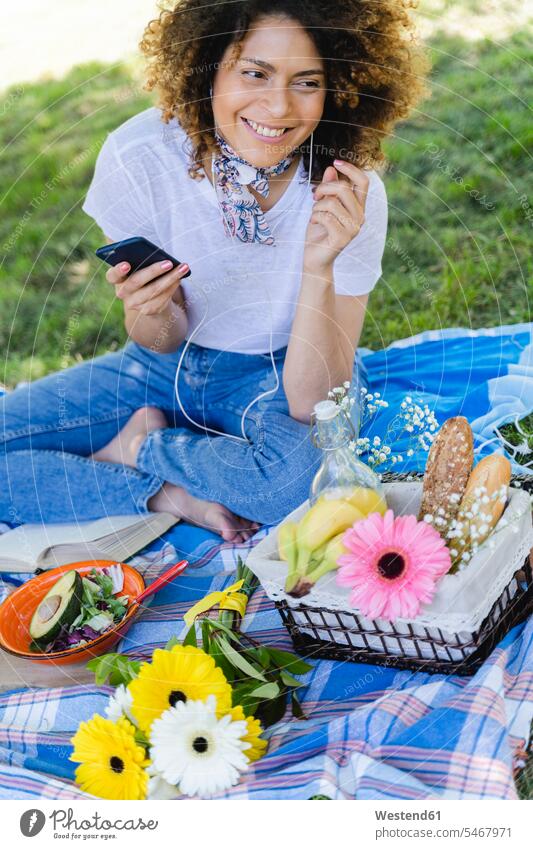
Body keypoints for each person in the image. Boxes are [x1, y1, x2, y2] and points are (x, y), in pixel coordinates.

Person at [0, 0, 426, 541]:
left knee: (295, 484)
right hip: (166, 366)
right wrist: (151, 310)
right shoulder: (140, 157)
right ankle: (165, 491)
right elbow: (159, 340)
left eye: (307, 81)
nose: (277, 108)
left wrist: (320, 261)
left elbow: (314, 403)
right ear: (207, 68)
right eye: (255, 73)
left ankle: (142, 448)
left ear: (338, 87)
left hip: (280, 370)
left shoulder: (349, 194)